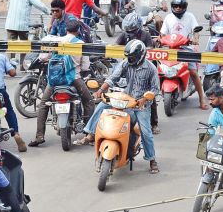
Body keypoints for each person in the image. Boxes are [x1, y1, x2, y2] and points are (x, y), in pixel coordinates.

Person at [77, 41, 160, 174]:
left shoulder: (151, 68)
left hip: (140, 105)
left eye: (132, 57)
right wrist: (100, 90)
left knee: (146, 132)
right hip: (125, 99)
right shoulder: (126, 63)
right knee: (102, 105)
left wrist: (144, 99)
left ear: (140, 55)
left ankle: (152, 160)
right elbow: (112, 78)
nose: (129, 59)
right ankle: (91, 133)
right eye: (129, 57)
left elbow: (156, 89)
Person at [29, 19, 95, 147]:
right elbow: (86, 66)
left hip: (55, 80)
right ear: (78, 31)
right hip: (74, 79)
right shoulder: (81, 43)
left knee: (43, 104)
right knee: (89, 102)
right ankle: (89, 134)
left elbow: (43, 57)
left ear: (66, 30)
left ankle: (39, 136)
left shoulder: (57, 41)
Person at [160, 0, 207, 108]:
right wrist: (160, 39)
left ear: (184, 7)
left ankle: (202, 100)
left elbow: (196, 31)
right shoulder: (168, 18)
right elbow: (162, 33)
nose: (178, 8)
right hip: (171, 48)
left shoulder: (190, 16)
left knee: (194, 72)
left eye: (180, 6)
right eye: (175, 6)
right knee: (160, 70)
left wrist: (195, 39)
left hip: (186, 48)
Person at [116, 13, 159, 133]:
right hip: (129, 67)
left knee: (149, 95)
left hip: (144, 68)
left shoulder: (145, 35)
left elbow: (150, 50)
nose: (129, 32)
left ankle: (154, 123)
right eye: (128, 30)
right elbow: (114, 47)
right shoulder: (124, 35)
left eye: (132, 30)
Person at [5, 0, 50, 70]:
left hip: (10, 24)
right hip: (22, 25)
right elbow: (40, 5)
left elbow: (8, 6)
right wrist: (50, 12)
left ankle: (10, 68)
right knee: (23, 46)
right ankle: (22, 66)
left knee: (11, 46)